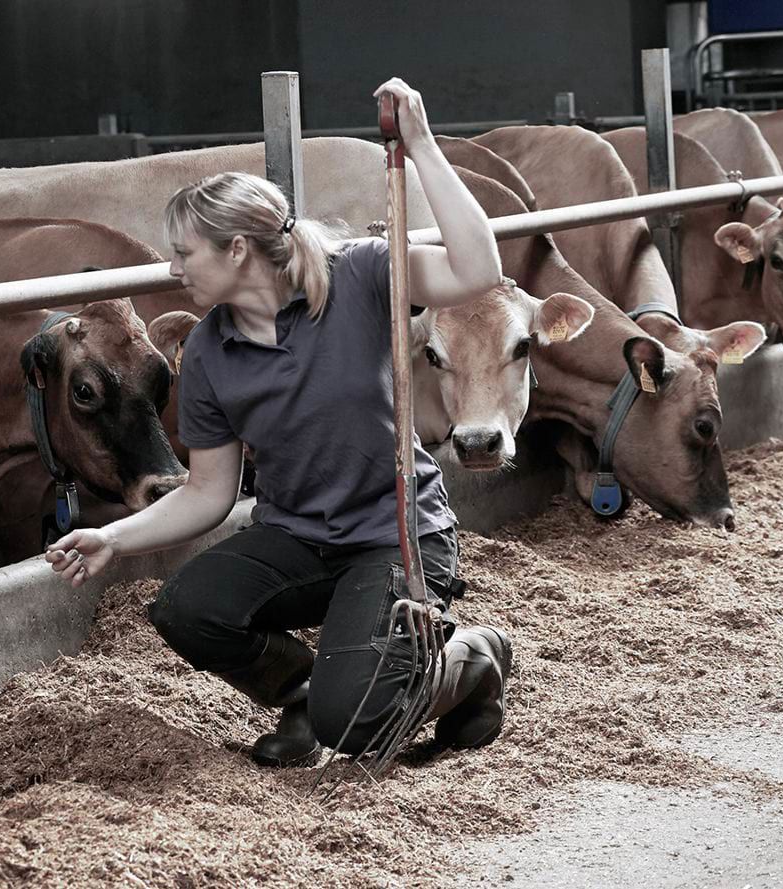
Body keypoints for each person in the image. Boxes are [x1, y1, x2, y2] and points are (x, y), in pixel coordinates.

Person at [45, 78, 512, 768]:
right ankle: (300, 695)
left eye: (185, 253)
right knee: (187, 607)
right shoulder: (207, 351)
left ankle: (472, 658)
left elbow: (479, 268)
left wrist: (420, 145)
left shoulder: (362, 276)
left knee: (355, 723)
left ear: (237, 250)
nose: (173, 270)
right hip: (298, 538)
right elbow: (208, 492)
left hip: (396, 535)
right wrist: (114, 536)